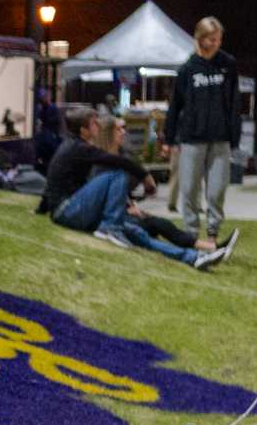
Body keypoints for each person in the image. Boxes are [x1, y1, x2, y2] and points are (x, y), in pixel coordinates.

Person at [38, 104, 229, 270]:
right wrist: (145, 177)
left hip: (70, 210)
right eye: (94, 123)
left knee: (138, 234)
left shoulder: (71, 147)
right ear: (84, 129)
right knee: (118, 172)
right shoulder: (78, 148)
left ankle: (194, 258)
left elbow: (52, 184)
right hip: (68, 211)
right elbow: (119, 163)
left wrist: (41, 208)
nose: (98, 125)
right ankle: (110, 228)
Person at [96, 111, 234, 261]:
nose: (124, 132)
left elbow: (122, 191)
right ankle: (207, 250)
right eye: (119, 129)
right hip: (115, 217)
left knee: (161, 224)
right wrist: (127, 208)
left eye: (124, 128)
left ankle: (209, 249)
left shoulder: (122, 156)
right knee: (158, 225)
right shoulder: (101, 162)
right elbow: (104, 195)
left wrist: (132, 205)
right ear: (108, 134)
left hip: (124, 212)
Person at [163, 16, 241, 243]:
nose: (216, 43)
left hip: (220, 139)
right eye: (212, 39)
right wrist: (169, 138)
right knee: (189, 189)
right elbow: (175, 105)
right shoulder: (188, 69)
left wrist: (233, 136)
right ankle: (191, 235)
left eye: (219, 39)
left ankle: (213, 235)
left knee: (216, 190)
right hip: (192, 139)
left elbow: (234, 102)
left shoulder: (228, 65)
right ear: (201, 39)